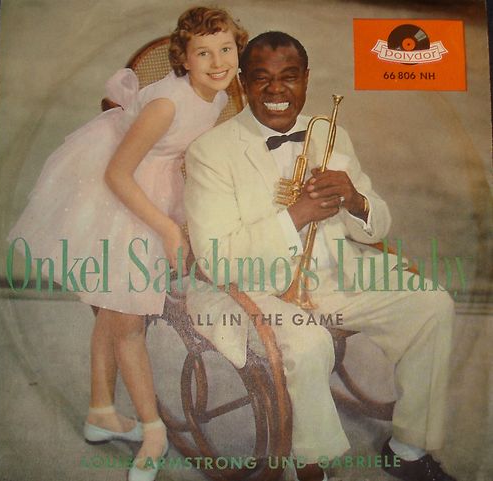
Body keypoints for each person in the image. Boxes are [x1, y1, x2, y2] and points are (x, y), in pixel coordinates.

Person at [184, 31, 456, 481]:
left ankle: (408, 449)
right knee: (308, 344)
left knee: (432, 305)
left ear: (306, 79)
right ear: (242, 84)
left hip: (333, 276)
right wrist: (298, 214)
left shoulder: (329, 132)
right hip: (251, 290)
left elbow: (376, 226)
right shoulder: (209, 152)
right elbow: (217, 260)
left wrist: (355, 200)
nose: (276, 90)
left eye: (289, 77)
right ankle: (314, 465)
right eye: (261, 79)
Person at [7, 7, 247, 481]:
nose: (218, 62)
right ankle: (153, 431)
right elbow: (117, 173)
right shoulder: (167, 105)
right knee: (128, 322)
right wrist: (168, 228)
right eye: (204, 53)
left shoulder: (220, 94)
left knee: (113, 309)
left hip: (153, 184)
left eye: (226, 49)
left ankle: (100, 411)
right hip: (121, 193)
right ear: (183, 59)